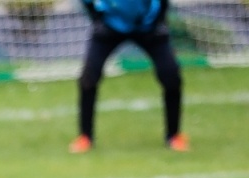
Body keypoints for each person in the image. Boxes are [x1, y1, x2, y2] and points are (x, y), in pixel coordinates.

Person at [71, 0, 186, 153]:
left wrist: (157, 21)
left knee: (171, 76)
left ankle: (174, 136)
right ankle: (85, 137)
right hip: (111, 24)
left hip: (148, 26)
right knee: (88, 78)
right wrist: (98, 18)